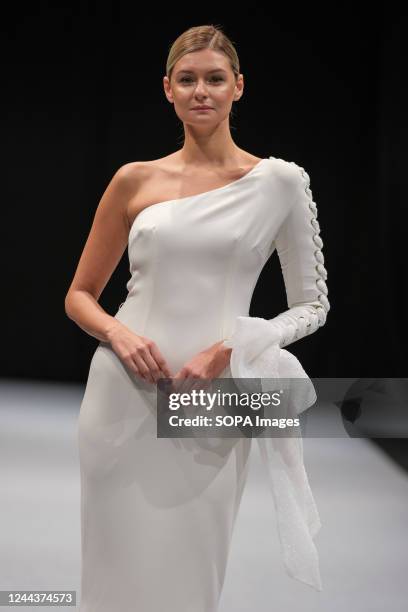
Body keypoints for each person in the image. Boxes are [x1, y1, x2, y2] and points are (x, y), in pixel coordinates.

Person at [65, 24, 330, 612]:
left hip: (214, 394)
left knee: (192, 565)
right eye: (187, 80)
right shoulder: (135, 179)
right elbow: (81, 294)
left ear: (239, 87)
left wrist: (235, 348)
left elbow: (313, 305)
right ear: (168, 89)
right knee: (111, 565)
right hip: (123, 389)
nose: (201, 91)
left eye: (215, 79)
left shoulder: (279, 182)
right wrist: (118, 332)